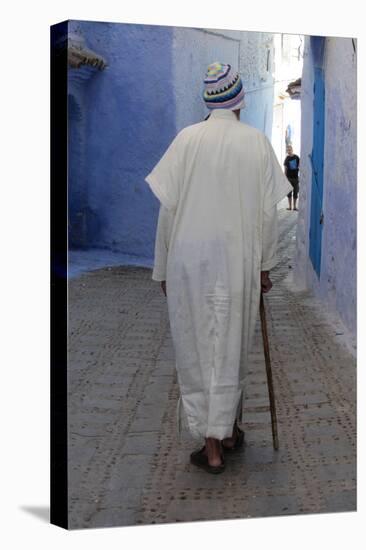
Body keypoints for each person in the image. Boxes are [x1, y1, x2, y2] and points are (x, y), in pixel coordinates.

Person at [145, 62, 292, 474]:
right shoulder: (257, 143)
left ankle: (216, 441)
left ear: (209, 103)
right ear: (240, 102)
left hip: (189, 262)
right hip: (237, 261)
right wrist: (265, 266)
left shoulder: (186, 140)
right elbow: (268, 214)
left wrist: (162, 269)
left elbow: (167, 212)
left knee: (195, 346)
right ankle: (222, 435)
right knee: (229, 346)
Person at [284, 145, 300, 211]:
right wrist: (285, 177)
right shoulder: (287, 158)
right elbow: (285, 168)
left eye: (289, 149)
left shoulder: (296, 157)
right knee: (289, 193)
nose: (289, 151)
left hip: (296, 178)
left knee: (295, 192)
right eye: (287, 150)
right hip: (289, 178)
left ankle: (295, 207)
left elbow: (300, 165)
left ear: (292, 149)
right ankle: (290, 207)